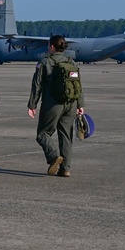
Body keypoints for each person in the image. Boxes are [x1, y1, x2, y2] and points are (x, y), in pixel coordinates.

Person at [27, 35, 85, 178]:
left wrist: (32, 104)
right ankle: (65, 169)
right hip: (70, 103)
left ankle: (53, 157)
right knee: (66, 136)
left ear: (52, 47)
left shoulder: (45, 62)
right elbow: (78, 84)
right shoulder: (71, 62)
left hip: (52, 104)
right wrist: (80, 104)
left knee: (43, 134)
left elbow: (37, 85)